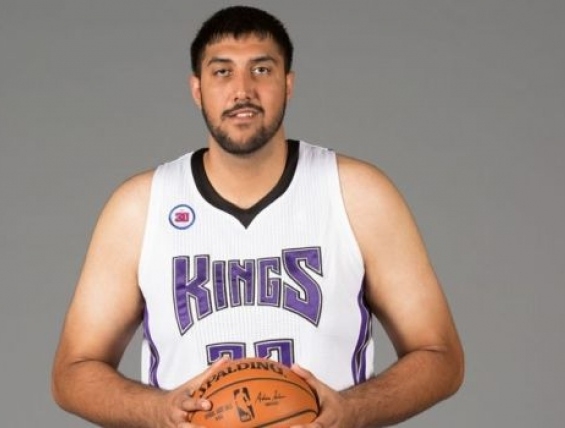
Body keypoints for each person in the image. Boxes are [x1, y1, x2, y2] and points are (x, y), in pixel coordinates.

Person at [52, 5, 464, 428]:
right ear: (197, 89)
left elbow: (441, 356)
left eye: (262, 70)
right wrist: (158, 411)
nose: (242, 90)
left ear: (288, 83)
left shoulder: (357, 194)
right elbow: (73, 370)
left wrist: (352, 411)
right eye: (222, 72)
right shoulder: (141, 206)